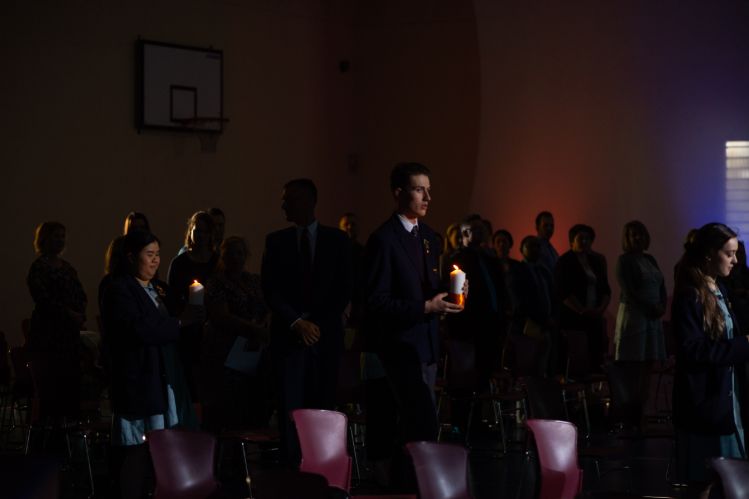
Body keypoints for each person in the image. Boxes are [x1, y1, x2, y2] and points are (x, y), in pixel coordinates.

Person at [363, 162, 465, 491]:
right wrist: (425, 307)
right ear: (398, 193)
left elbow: (427, 287)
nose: (427, 197)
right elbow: (376, 301)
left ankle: (414, 486)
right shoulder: (383, 240)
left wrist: (450, 295)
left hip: (426, 345)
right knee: (418, 423)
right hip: (399, 347)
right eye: (419, 189)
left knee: (421, 425)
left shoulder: (429, 237)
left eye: (428, 190)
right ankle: (406, 487)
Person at [101, 231, 201, 499]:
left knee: (164, 446)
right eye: (149, 254)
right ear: (131, 257)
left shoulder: (159, 288)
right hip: (141, 378)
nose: (156, 260)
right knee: (139, 449)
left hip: (163, 376)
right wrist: (179, 322)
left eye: (158, 254)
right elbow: (139, 329)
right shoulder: (119, 290)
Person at [261, 178, 352, 466]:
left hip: (325, 337)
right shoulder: (276, 241)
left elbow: (344, 287)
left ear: (310, 201)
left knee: (323, 407)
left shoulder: (337, 240)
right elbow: (270, 289)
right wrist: (296, 322)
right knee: (289, 407)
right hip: (289, 337)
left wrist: (317, 324)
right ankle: (292, 470)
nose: (284, 205)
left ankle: (322, 468)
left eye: (290, 199)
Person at [672, 223, 749, 496]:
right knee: (706, 481)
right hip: (704, 402)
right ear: (708, 254)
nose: (735, 260)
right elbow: (692, 351)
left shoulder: (718, 289)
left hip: (725, 398)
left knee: (729, 480)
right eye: (729, 253)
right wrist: (743, 345)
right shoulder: (690, 295)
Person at [201, 236, 270, 430]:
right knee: (228, 404)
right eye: (230, 253)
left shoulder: (254, 280)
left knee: (253, 400)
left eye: (239, 253)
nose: (236, 257)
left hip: (253, 348)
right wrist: (253, 328)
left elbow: (267, 305)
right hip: (225, 350)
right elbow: (221, 316)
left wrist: (263, 324)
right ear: (223, 256)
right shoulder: (217, 283)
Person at [167, 211, 216, 398]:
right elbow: (171, 297)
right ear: (190, 232)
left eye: (205, 231)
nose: (201, 235)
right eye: (197, 231)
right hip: (188, 330)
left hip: (213, 327)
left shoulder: (217, 261)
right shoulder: (180, 263)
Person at [26, 221, 87, 361]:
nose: (60, 240)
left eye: (62, 236)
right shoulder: (38, 268)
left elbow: (80, 294)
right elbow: (43, 299)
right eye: (56, 236)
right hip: (48, 333)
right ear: (44, 239)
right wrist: (68, 313)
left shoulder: (68, 268)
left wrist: (79, 314)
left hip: (69, 334)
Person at [555, 223, 611, 373]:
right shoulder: (564, 261)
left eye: (588, 239)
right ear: (572, 241)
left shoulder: (596, 262)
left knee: (594, 357)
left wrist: (600, 309)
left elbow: (605, 289)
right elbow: (563, 291)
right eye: (581, 238)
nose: (585, 241)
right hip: (572, 318)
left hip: (594, 316)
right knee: (575, 358)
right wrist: (581, 310)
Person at [614, 221, 667, 362]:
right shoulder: (624, 260)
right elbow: (629, 292)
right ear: (627, 238)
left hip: (654, 315)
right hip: (635, 315)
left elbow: (661, 284)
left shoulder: (650, 259)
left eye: (641, 234)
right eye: (634, 235)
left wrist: (662, 306)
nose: (639, 237)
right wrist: (650, 308)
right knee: (634, 359)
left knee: (650, 360)